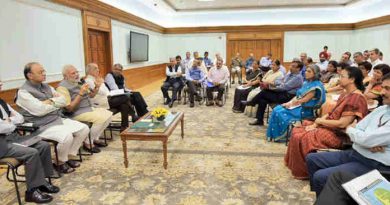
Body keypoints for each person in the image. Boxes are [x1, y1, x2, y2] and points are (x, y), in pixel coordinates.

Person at [306, 73, 390, 197]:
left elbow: (362, 136)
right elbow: (360, 130)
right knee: (312, 158)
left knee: (320, 176)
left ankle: (332, 197)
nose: (382, 92)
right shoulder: (381, 109)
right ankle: (326, 197)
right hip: (356, 152)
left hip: (373, 162)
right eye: (382, 87)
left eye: (387, 89)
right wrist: (364, 139)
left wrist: (358, 135)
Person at [285, 66, 368, 180]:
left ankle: (305, 171)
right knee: (297, 130)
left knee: (304, 136)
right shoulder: (345, 94)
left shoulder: (356, 98)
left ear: (352, 79)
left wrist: (319, 121)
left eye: (342, 76)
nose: (339, 79)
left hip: (341, 135)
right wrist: (316, 124)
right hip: (330, 126)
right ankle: (298, 168)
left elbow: (342, 124)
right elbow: (330, 114)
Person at [17, 62, 89, 174]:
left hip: (56, 119)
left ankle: (67, 157)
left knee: (83, 129)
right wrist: (54, 102)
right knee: (66, 136)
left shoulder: (47, 86)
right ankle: (59, 163)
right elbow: (39, 110)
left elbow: (63, 101)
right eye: (41, 72)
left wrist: (48, 102)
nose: (44, 74)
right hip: (40, 126)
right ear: (30, 75)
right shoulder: (23, 92)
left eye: (44, 71)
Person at [0, 80, 60, 203]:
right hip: (2, 144)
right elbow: (3, 127)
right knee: (31, 153)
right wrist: (11, 122)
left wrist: (9, 122)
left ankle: (41, 182)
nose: (1, 83)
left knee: (43, 145)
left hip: (12, 137)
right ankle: (31, 192)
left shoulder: (2, 102)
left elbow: (20, 118)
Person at [57, 65, 113, 153]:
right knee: (100, 119)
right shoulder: (62, 87)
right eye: (73, 73)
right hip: (76, 112)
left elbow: (91, 95)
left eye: (77, 72)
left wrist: (97, 87)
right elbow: (69, 108)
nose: (76, 75)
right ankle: (88, 143)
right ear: (65, 76)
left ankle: (94, 138)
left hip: (88, 108)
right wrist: (80, 93)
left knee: (109, 114)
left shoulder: (78, 82)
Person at [267, 64, 326, 141]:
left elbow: (304, 100)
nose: (306, 73)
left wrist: (291, 104)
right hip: (298, 105)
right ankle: (274, 135)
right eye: (306, 71)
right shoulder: (306, 83)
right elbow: (297, 96)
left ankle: (283, 136)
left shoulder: (315, 86)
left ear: (315, 74)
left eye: (309, 71)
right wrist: (288, 103)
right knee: (276, 109)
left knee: (280, 112)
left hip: (305, 109)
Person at [245, 61, 304, 126]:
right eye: (290, 65)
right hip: (282, 93)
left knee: (264, 92)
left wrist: (272, 89)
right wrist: (273, 88)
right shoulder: (290, 74)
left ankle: (252, 102)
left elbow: (284, 87)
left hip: (288, 97)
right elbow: (282, 82)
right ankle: (259, 120)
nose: (290, 67)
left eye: (293, 66)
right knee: (262, 100)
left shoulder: (297, 77)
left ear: (298, 69)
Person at [85, 63, 138, 131]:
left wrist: (109, 91)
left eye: (98, 68)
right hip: (100, 104)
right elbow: (102, 92)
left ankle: (124, 127)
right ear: (89, 71)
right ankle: (133, 115)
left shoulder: (97, 79)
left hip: (107, 99)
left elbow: (106, 91)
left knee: (124, 104)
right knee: (125, 97)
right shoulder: (89, 81)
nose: (98, 70)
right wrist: (101, 84)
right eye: (95, 68)